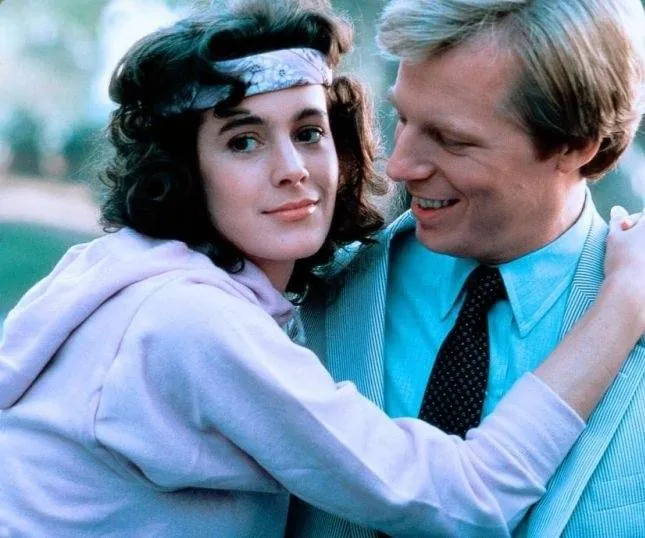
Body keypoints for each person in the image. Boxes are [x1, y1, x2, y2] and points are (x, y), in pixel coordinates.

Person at [0, 0, 642, 536]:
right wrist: (624, 305)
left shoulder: (206, 285)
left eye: (310, 132)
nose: (399, 166)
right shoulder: (203, 316)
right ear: (184, 167)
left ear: (575, 145)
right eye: (243, 141)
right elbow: (460, 500)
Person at [287, 0, 645, 536]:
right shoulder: (300, 296)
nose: (400, 167)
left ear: (575, 146)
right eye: (403, 118)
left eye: (452, 140)